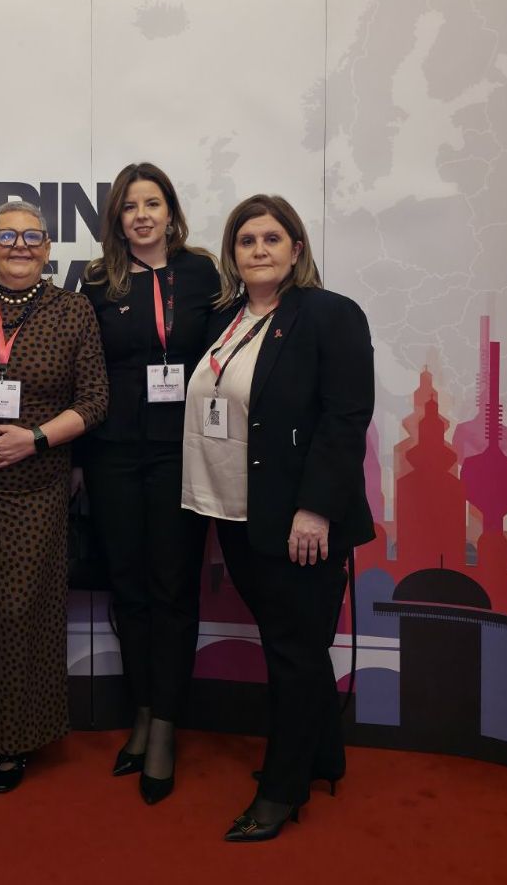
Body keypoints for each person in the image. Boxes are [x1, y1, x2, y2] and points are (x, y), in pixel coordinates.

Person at [182, 194, 374, 841]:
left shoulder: (329, 314)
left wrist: (315, 509)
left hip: (300, 520)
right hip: (238, 512)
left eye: (271, 238)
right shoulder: (227, 318)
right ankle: (324, 757)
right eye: (246, 240)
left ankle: (281, 791)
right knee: (290, 643)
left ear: (296, 248)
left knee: (292, 652)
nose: (259, 250)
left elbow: (345, 419)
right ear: (233, 254)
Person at [0, 200, 108, 810]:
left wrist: (34, 438)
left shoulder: (72, 309)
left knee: (25, 612)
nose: (20, 245)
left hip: (38, 487)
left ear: (48, 248)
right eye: (7, 236)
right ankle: (0, 737)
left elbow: (95, 400)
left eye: (32, 236)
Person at [80, 162, 219, 804]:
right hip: (111, 453)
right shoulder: (97, 280)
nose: (141, 215)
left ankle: (165, 725)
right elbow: (84, 370)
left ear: (170, 212)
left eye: (152, 203)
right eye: (130, 206)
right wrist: (77, 461)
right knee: (129, 589)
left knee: (172, 589)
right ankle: (142, 710)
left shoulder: (202, 273)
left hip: (181, 454)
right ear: (116, 217)